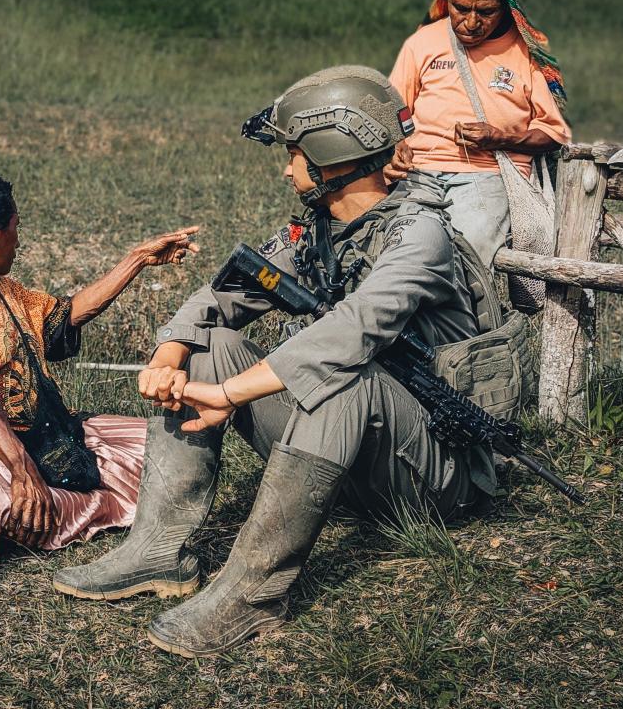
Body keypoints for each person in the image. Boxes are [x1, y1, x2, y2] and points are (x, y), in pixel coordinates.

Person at [53, 67, 510, 658]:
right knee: (208, 346)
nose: (286, 168)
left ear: (331, 154)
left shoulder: (420, 236)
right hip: (354, 462)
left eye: (293, 154)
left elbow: (354, 330)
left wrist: (231, 394)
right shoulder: (322, 230)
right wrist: (171, 353)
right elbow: (222, 297)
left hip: (432, 475)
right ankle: (159, 550)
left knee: (345, 377)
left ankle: (253, 594)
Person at [0, 159, 200, 558]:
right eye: (15, 227)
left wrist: (138, 260)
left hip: (41, 435)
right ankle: (86, 502)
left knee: (172, 447)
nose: (18, 240)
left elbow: (68, 315)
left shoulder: (5, 288)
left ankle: (82, 501)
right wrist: (21, 469)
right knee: (9, 510)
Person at [386, 0, 571, 266]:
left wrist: (499, 137)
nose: (470, 22)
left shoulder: (528, 53)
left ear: (508, 5)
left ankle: (460, 318)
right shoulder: (421, 43)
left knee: (462, 257)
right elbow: (392, 113)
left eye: (485, 12)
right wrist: (395, 147)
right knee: (397, 252)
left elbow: (554, 134)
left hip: (489, 177)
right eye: (460, 8)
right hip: (418, 174)